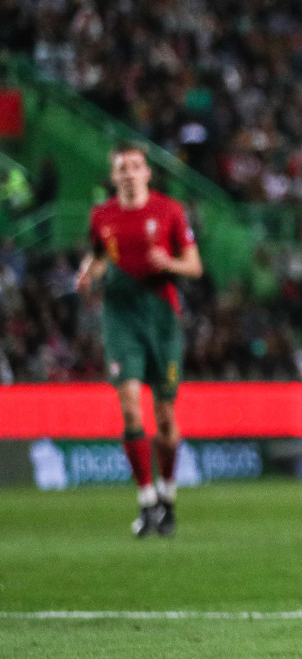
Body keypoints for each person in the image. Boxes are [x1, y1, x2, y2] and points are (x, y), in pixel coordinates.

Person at [76, 142, 203, 537]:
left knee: (166, 418)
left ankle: (168, 495)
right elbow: (98, 255)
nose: (129, 173)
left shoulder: (170, 211)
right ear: (114, 177)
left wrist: (170, 263)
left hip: (162, 321)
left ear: (147, 172)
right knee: (130, 407)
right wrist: (88, 274)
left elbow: (195, 266)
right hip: (120, 318)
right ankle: (147, 500)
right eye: (121, 168)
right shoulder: (102, 216)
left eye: (135, 166)